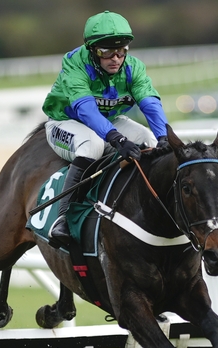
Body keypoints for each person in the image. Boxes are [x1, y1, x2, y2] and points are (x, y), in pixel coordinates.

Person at [42, 10, 170, 246]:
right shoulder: (75, 64)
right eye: (106, 51)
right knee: (92, 144)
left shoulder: (134, 68)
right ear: (92, 50)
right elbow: (86, 110)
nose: (115, 58)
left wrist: (165, 137)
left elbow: (150, 103)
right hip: (65, 122)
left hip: (106, 121)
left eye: (121, 51)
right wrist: (117, 139)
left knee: (148, 139)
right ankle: (63, 217)